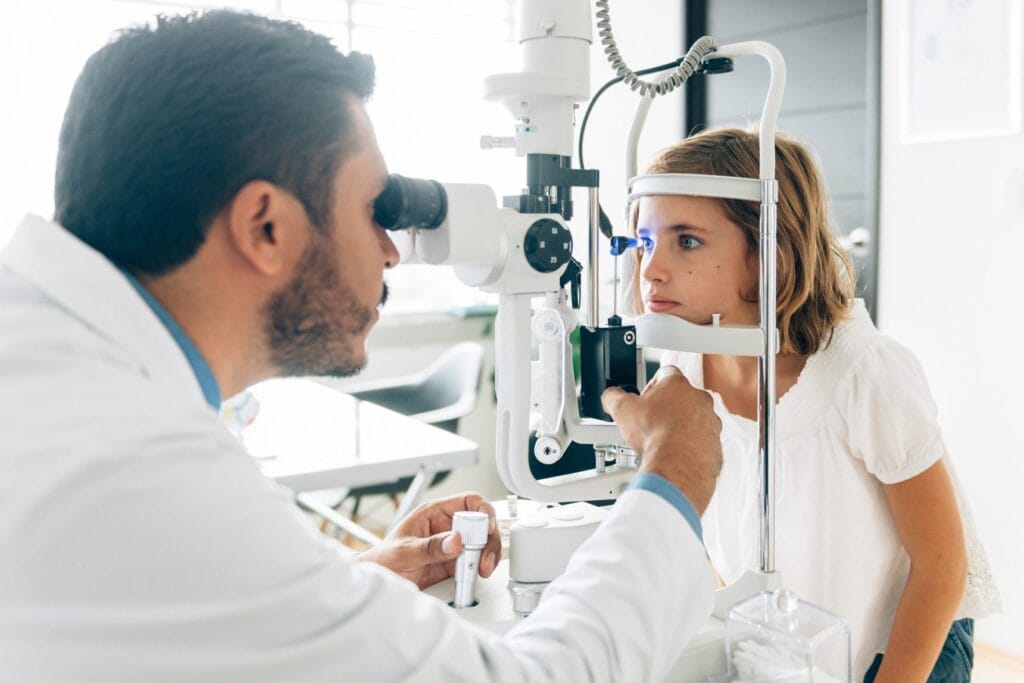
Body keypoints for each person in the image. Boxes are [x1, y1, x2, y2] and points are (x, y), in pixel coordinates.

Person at [0, 10, 726, 682]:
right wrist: (674, 477)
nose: (391, 251)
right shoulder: (138, 467)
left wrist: (348, 587)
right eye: (373, 209)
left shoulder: (56, 371)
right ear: (265, 227)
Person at [623, 127, 1001, 682]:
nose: (652, 268)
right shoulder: (684, 370)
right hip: (797, 640)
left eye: (687, 241)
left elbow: (943, 565)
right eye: (644, 240)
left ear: (767, 254)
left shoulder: (862, 373)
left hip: (905, 643)